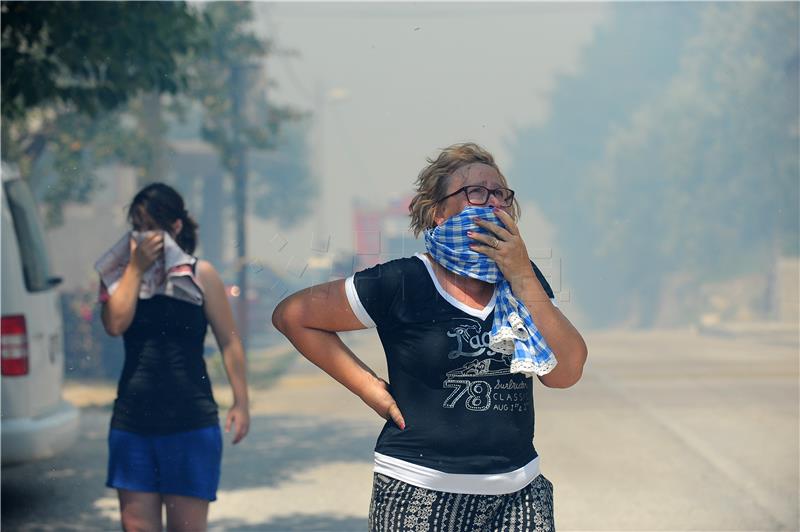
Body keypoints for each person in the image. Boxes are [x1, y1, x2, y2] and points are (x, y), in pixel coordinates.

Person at [272, 142, 588, 531]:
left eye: (500, 193)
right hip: (419, 492)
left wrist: (522, 275)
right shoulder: (402, 281)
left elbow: (565, 372)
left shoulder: (522, 281)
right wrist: (368, 387)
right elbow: (293, 316)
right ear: (439, 212)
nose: (492, 202)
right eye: (475, 192)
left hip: (519, 493)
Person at [98, 183, 249, 532]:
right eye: (137, 227)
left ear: (175, 227)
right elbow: (115, 324)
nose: (144, 235)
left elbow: (229, 342)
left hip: (191, 423)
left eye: (152, 226)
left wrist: (242, 402)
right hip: (132, 423)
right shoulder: (119, 276)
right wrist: (135, 270)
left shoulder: (201, 275)